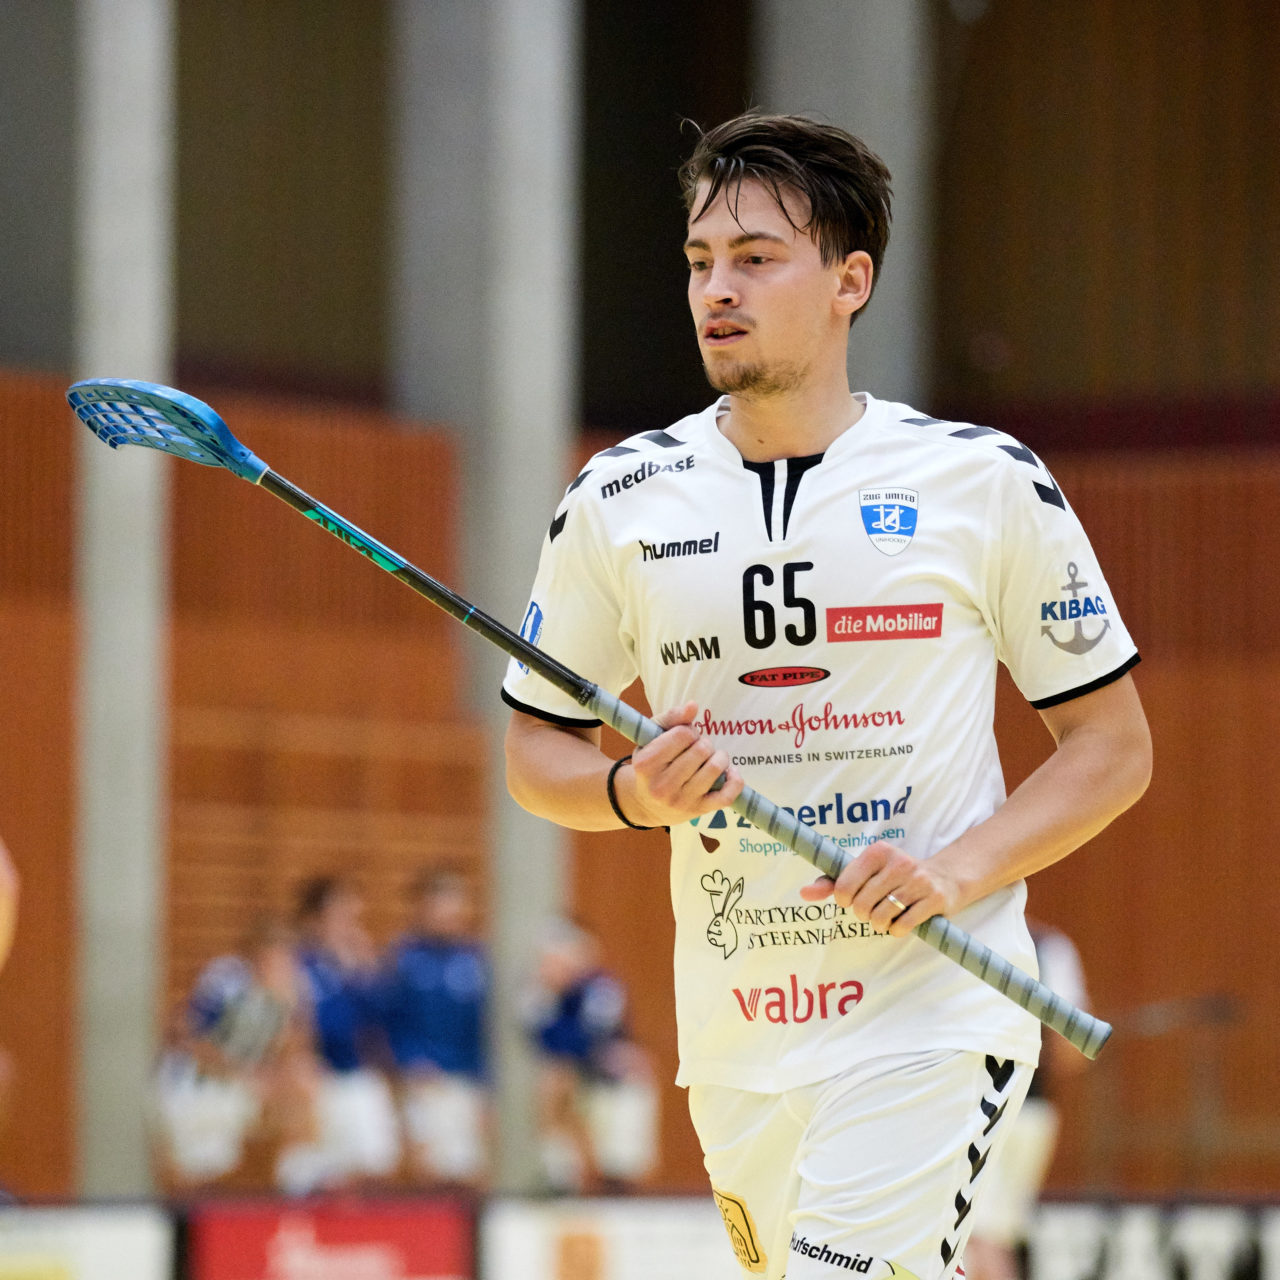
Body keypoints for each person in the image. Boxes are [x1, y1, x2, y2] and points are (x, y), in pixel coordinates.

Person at [503, 112, 1151, 1280]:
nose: (718, 288)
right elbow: (535, 752)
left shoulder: (979, 482)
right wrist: (628, 792)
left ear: (850, 280)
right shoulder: (616, 498)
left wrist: (953, 871)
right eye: (702, 261)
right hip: (736, 1034)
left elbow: (1110, 746)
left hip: (928, 1014)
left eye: (756, 257)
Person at [151, 916, 322, 1193]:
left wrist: (289, 1010)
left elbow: (296, 1050)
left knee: (303, 1081)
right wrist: (242, 1074)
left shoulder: (291, 988)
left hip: (238, 1083)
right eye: (276, 957)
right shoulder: (226, 980)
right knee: (193, 1177)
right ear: (257, 955)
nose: (284, 966)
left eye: (287, 959)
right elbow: (187, 1039)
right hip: (193, 1083)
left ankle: (297, 1180)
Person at [964, 919, 1091, 1280]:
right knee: (994, 1239)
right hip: (1032, 1112)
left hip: (978, 1110)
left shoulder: (958, 935)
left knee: (978, 1239)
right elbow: (1073, 1050)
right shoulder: (1050, 946)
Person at [523, 919, 658, 1194]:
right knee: (554, 1081)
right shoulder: (541, 995)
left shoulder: (601, 989)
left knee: (621, 1164)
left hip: (613, 1083)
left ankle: (617, 1187)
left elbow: (589, 1038)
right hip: (579, 1082)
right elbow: (544, 1041)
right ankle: (560, 1173)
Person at [380, 864, 490, 1188]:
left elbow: (488, 1029)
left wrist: (489, 1085)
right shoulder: (403, 959)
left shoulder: (477, 960)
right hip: (422, 1079)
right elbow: (387, 1024)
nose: (449, 911)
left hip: (469, 1080)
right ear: (422, 907)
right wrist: (407, 1065)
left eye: (456, 901)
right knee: (428, 1170)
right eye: (440, 902)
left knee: (473, 1172)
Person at [294, 875, 401, 1189]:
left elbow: (379, 1021)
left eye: (351, 918)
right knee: (322, 1173)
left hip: (356, 1075)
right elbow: (322, 1024)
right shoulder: (299, 964)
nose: (347, 926)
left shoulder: (356, 967)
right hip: (316, 1074)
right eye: (339, 917)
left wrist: (367, 971)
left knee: (375, 1167)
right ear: (314, 920)